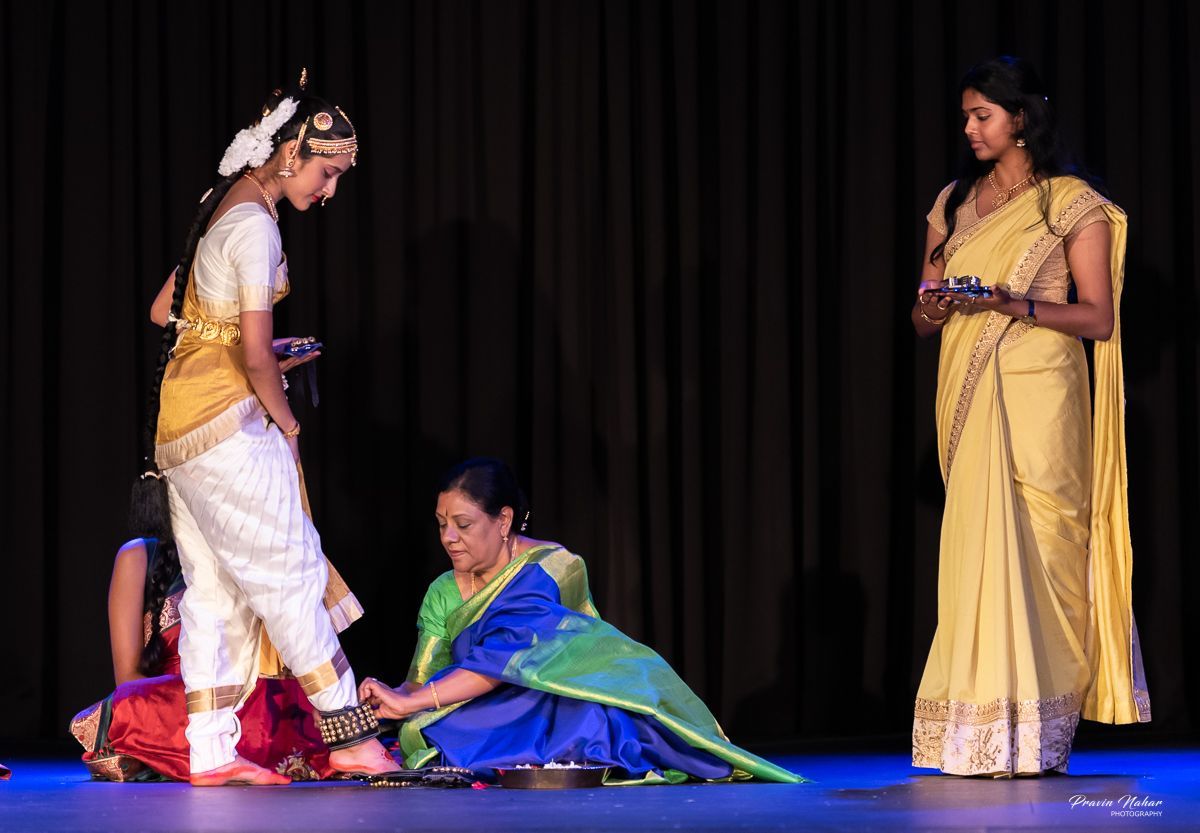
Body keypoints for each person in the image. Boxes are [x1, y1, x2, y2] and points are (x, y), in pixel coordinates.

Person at [130, 69, 397, 785]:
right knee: (289, 572)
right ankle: (349, 736)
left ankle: (213, 752)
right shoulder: (256, 226)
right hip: (228, 426)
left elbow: (166, 313)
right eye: (326, 172)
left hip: (180, 427)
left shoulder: (223, 201)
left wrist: (256, 352)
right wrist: (287, 420)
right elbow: (252, 355)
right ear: (290, 153)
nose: (329, 190)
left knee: (214, 591)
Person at [909, 56, 1150, 777]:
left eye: (982, 115)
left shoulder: (1070, 203)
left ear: (1020, 118)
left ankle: (1040, 732)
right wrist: (936, 305)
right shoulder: (953, 202)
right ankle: (976, 731)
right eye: (965, 116)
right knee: (978, 549)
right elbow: (921, 315)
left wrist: (1010, 303)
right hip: (969, 390)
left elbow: (1098, 318)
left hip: (1042, 392)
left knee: (1045, 550)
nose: (969, 128)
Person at [358, 458, 802, 784]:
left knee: (590, 716)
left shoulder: (552, 567)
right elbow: (422, 681)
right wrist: (387, 698)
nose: (449, 538)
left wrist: (412, 703)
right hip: (479, 704)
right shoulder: (443, 590)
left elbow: (507, 660)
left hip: (549, 694)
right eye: (441, 525)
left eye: (462, 524)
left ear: (504, 520)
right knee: (424, 728)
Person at [69, 537, 334, 781]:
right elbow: (129, 678)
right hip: (183, 705)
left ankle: (222, 752)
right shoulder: (139, 556)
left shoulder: (263, 547)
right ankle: (224, 749)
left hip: (261, 697)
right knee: (128, 701)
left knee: (312, 696)